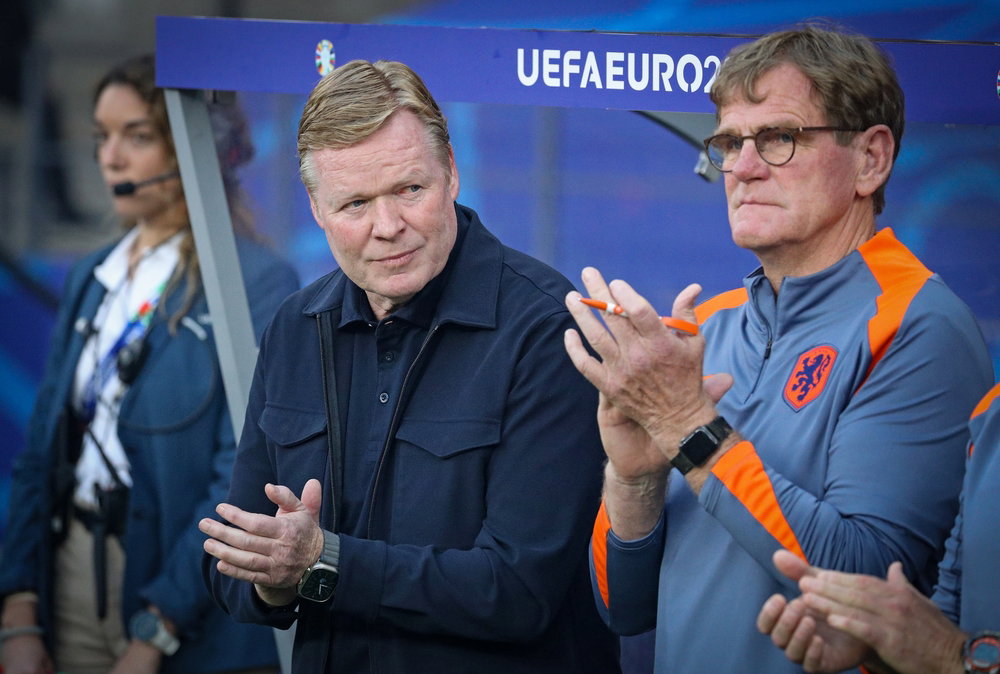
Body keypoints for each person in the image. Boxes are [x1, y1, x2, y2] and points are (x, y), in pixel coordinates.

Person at [562, 23, 993, 674]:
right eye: (729, 143)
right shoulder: (704, 329)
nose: (743, 167)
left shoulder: (917, 324)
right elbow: (624, 607)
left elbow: (863, 587)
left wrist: (688, 428)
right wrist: (634, 477)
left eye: (779, 138)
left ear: (871, 159)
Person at [198, 59, 620, 674]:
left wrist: (322, 562)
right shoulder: (295, 327)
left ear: (451, 171)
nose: (387, 227)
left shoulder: (547, 327)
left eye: (409, 190)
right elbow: (231, 565)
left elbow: (519, 592)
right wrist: (277, 578)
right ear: (316, 208)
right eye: (355, 203)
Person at [0, 54, 299, 674]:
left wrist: (158, 627)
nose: (111, 158)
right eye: (101, 137)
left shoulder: (259, 280)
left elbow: (240, 473)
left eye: (136, 136)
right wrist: (19, 608)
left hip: (189, 598)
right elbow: (40, 454)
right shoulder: (93, 275)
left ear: (198, 147)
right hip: (73, 575)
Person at [757, 381, 1000, 674]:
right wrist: (882, 642)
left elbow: (948, 648)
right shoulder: (992, 410)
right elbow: (950, 617)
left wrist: (947, 654)